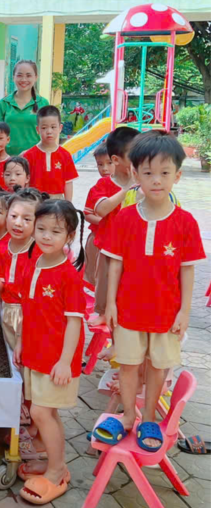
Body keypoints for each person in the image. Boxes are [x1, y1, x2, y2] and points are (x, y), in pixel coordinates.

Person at [101, 132, 205, 451]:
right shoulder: (125, 217)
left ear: (177, 175)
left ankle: (148, 418)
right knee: (128, 364)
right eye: (148, 172)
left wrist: (184, 311)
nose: (156, 180)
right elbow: (115, 265)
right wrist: (110, 304)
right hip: (128, 310)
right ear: (135, 174)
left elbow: (187, 270)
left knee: (158, 366)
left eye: (164, 172)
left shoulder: (186, 222)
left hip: (166, 312)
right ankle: (127, 416)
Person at [14, 200, 86, 505]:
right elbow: (28, 309)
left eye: (55, 231)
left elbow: (75, 323)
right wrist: (20, 341)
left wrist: (65, 362)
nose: (46, 236)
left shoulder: (68, 275)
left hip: (56, 359)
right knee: (45, 412)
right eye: (41, 228)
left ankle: (57, 471)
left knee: (42, 413)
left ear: (69, 235)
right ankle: (52, 463)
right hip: (35, 352)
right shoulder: (34, 262)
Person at [84, 126, 138, 324]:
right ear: (117, 159)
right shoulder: (104, 185)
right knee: (105, 280)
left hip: (134, 246)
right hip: (108, 244)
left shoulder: (144, 183)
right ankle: (102, 313)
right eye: (134, 154)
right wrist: (127, 189)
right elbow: (101, 209)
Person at [0, 188, 43, 343]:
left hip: (32, 316)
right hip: (8, 311)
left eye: (27, 219)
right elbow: (1, 288)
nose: (18, 223)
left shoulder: (40, 253)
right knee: (13, 351)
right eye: (13, 216)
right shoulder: (0, 250)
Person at [0, 60, 49, 155]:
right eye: (19, 75)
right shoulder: (3, 103)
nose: (24, 79)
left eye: (28, 75)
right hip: (8, 158)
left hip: (35, 157)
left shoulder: (43, 103)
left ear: (36, 77)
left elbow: (48, 133)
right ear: (13, 77)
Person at [24, 106, 78, 200]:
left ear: (60, 128)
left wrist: (68, 204)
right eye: (44, 128)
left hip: (57, 201)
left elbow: (68, 182)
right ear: (38, 129)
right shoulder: (29, 155)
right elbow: (25, 182)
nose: (49, 131)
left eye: (53, 127)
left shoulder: (65, 155)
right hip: (34, 200)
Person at [83, 142, 114, 288]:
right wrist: (107, 222)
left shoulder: (130, 188)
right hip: (97, 239)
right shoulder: (97, 188)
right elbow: (87, 214)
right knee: (93, 276)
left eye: (109, 163)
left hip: (119, 242)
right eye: (100, 164)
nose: (104, 168)